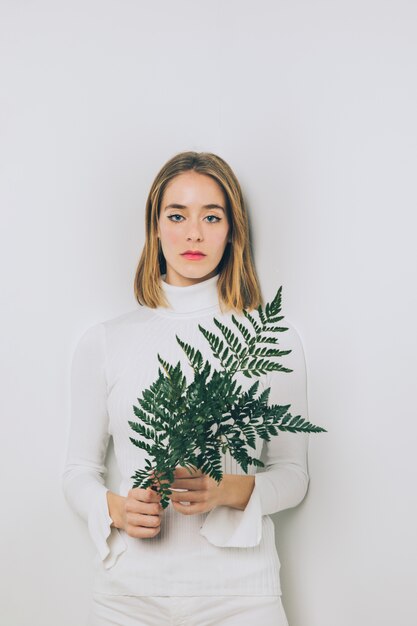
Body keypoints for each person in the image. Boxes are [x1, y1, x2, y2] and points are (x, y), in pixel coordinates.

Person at [62, 151, 310, 625]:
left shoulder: (273, 339)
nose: (193, 233)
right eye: (177, 215)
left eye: (211, 216)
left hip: (242, 596)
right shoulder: (105, 341)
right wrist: (115, 508)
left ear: (232, 229)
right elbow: (78, 470)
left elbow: (293, 476)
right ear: (155, 227)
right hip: (127, 598)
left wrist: (224, 489)